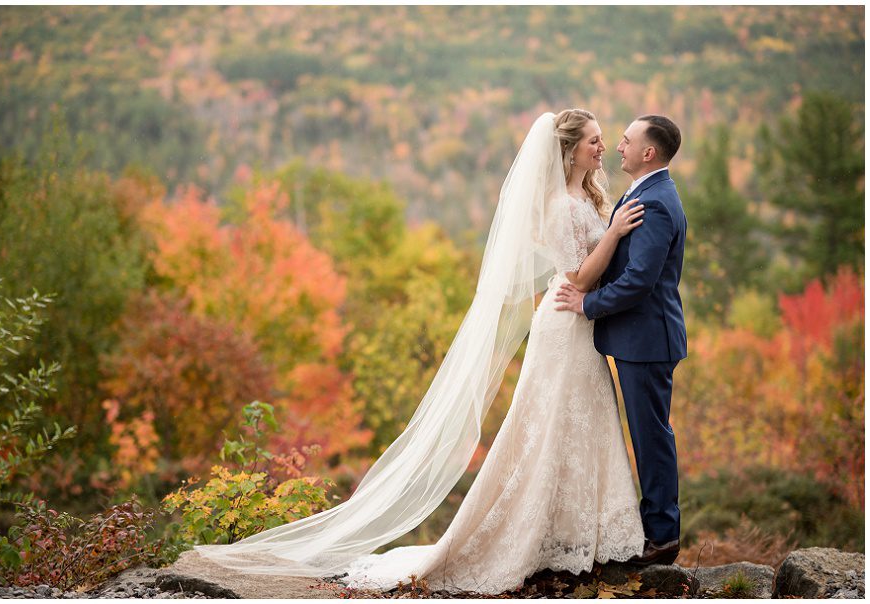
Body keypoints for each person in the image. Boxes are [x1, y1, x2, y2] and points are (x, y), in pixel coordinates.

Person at [193, 110, 649, 594]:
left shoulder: (588, 196)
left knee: (584, 419)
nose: (602, 148)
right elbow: (578, 276)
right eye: (594, 141)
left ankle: (583, 535)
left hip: (580, 323)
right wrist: (616, 232)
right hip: (565, 323)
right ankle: (542, 536)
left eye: (603, 140)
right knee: (551, 424)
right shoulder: (560, 206)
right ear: (569, 149)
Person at [554, 114, 687, 566]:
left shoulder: (657, 202)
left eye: (627, 141)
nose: (618, 147)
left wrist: (586, 304)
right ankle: (652, 530)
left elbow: (638, 282)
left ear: (648, 153)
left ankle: (662, 537)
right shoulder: (641, 193)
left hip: (647, 340)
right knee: (647, 435)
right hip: (634, 338)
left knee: (652, 438)